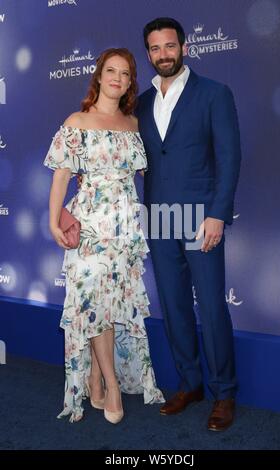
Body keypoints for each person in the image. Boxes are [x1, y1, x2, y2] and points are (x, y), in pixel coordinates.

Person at [44, 48, 164, 424]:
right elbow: (61, 176)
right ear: (98, 76)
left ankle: (95, 376)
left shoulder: (132, 124)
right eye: (111, 71)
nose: (117, 78)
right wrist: (53, 222)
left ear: (130, 82)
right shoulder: (78, 120)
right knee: (95, 304)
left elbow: (149, 174)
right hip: (90, 228)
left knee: (111, 306)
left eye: (125, 73)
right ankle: (112, 385)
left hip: (125, 229)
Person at [136, 18, 241, 431]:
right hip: (159, 217)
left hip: (201, 217)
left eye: (169, 46)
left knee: (212, 307)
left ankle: (224, 392)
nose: (163, 54)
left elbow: (229, 158)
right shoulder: (142, 102)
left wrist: (217, 213)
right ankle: (190, 382)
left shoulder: (214, 93)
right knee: (175, 304)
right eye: (155, 48)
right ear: (148, 53)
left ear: (184, 46)